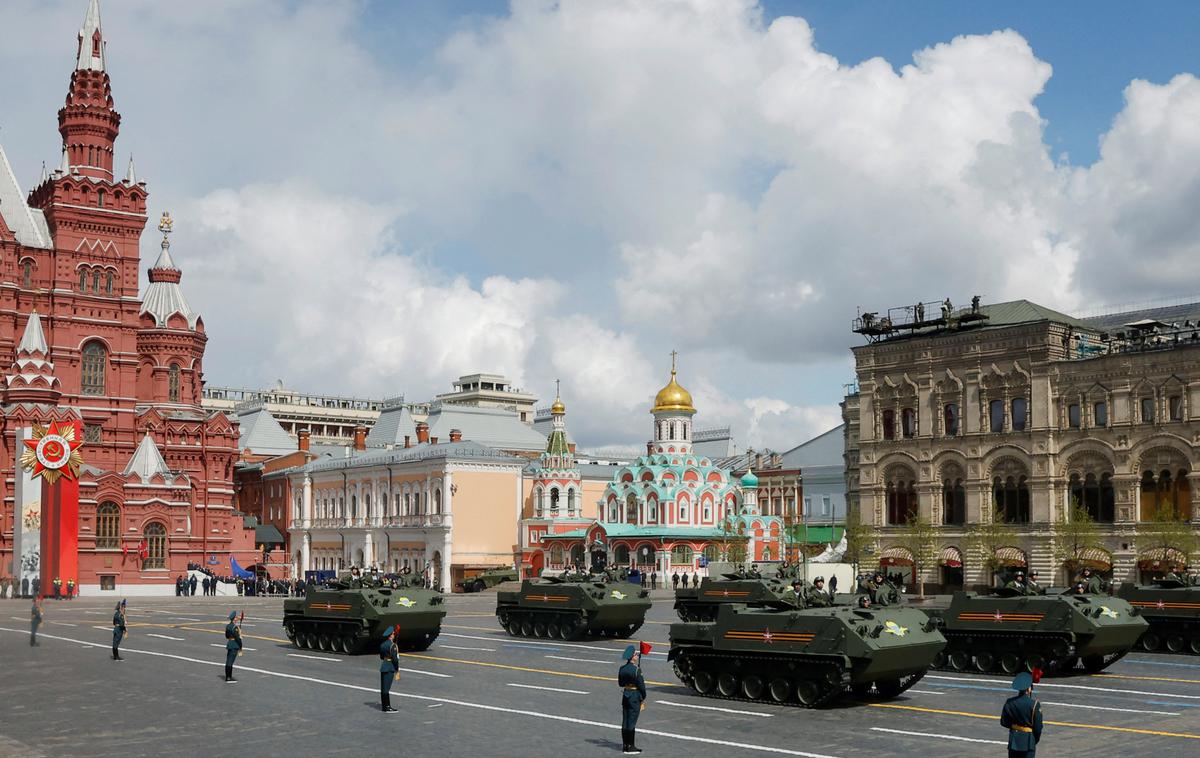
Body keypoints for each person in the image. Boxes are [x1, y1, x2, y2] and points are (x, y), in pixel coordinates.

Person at [1000, 671, 1043, 757]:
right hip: (1028, 741)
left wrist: (1015, 727)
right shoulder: (1034, 705)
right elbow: (1038, 728)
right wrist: (1034, 740)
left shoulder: (1009, 703)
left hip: (1014, 741)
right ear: (1029, 689)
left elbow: (1004, 722)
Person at [618, 645, 646, 754]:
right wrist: (643, 697)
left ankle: (625, 745)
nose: (637, 656)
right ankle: (630, 746)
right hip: (634, 696)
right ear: (632, 657)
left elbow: (620, 684)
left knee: (625, 721)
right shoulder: (636, 670)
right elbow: (642, 687)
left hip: (625, 695)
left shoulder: (622, 669)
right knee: (632, 722)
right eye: (636, 654)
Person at [379, 625, 401, 712]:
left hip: (384, 666)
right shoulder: (393, 646)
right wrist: (397, 669)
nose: (394, 635)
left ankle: (384, 706)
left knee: (383, 687)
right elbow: (395, 659)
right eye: (393, 633)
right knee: (386, 688)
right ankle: (387, 706)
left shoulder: (383, 645)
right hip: (390, 667)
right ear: (391, 635)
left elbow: (381, 656)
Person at [224, 611, 243, 683]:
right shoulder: (235, 627)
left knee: (228, 661)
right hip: (234, 645)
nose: (237, 618)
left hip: (229, 644)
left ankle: (228, 676)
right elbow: (237, 638)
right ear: (234, 618)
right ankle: (228, 678)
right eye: (236, 617)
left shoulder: (228, 626)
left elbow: (226, 636)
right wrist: (240, 647)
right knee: (230, 662)